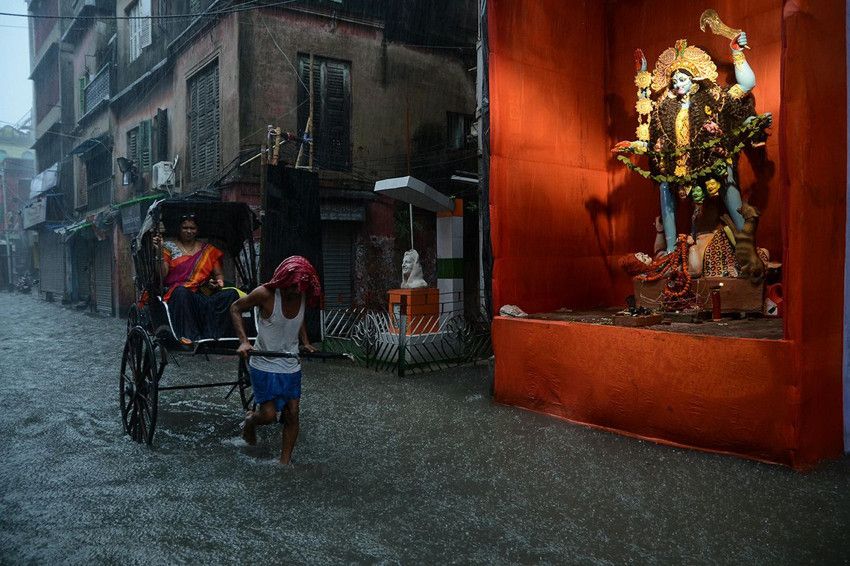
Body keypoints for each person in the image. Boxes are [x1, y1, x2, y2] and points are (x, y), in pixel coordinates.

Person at [613, 33, 772, 254]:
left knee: (726, 179)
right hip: (677, 166)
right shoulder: (665, 109)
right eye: (674, 81)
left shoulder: (713, 98)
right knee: (665, 185)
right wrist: (633, 146)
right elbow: (651, 138)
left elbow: (747, 84)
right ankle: (671, 250)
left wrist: (736, 53)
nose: (677, 84)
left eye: (682, 79)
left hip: (709, 159)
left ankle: (747, 244)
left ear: (694, 80)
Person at [230, 255, 322, 465]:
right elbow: (235, 308)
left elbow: (299, 319)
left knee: (293, 412)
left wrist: (305, 341)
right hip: (263, 362)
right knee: (269, 416)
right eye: (292, 287)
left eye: (299, 288)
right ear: (282, 281)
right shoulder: (265, 294)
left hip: (290, 363)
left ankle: (284, 462)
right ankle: (250, 420)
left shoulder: (301, 293)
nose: (295, 292)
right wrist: (244, 341)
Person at [151, 213, 238, 345]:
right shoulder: (167, 247)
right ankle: (189, 336)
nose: (189, 231)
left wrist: (217, 283)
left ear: (197, 230)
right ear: (179, 229)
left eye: (192, 228)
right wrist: (159, 252)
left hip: (202, 293)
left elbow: (219, 276)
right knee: (182, 292)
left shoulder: (208, 250)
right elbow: (162, 274)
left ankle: (216, 336)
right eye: (185, 228)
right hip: (178, 293)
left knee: (231, 294)